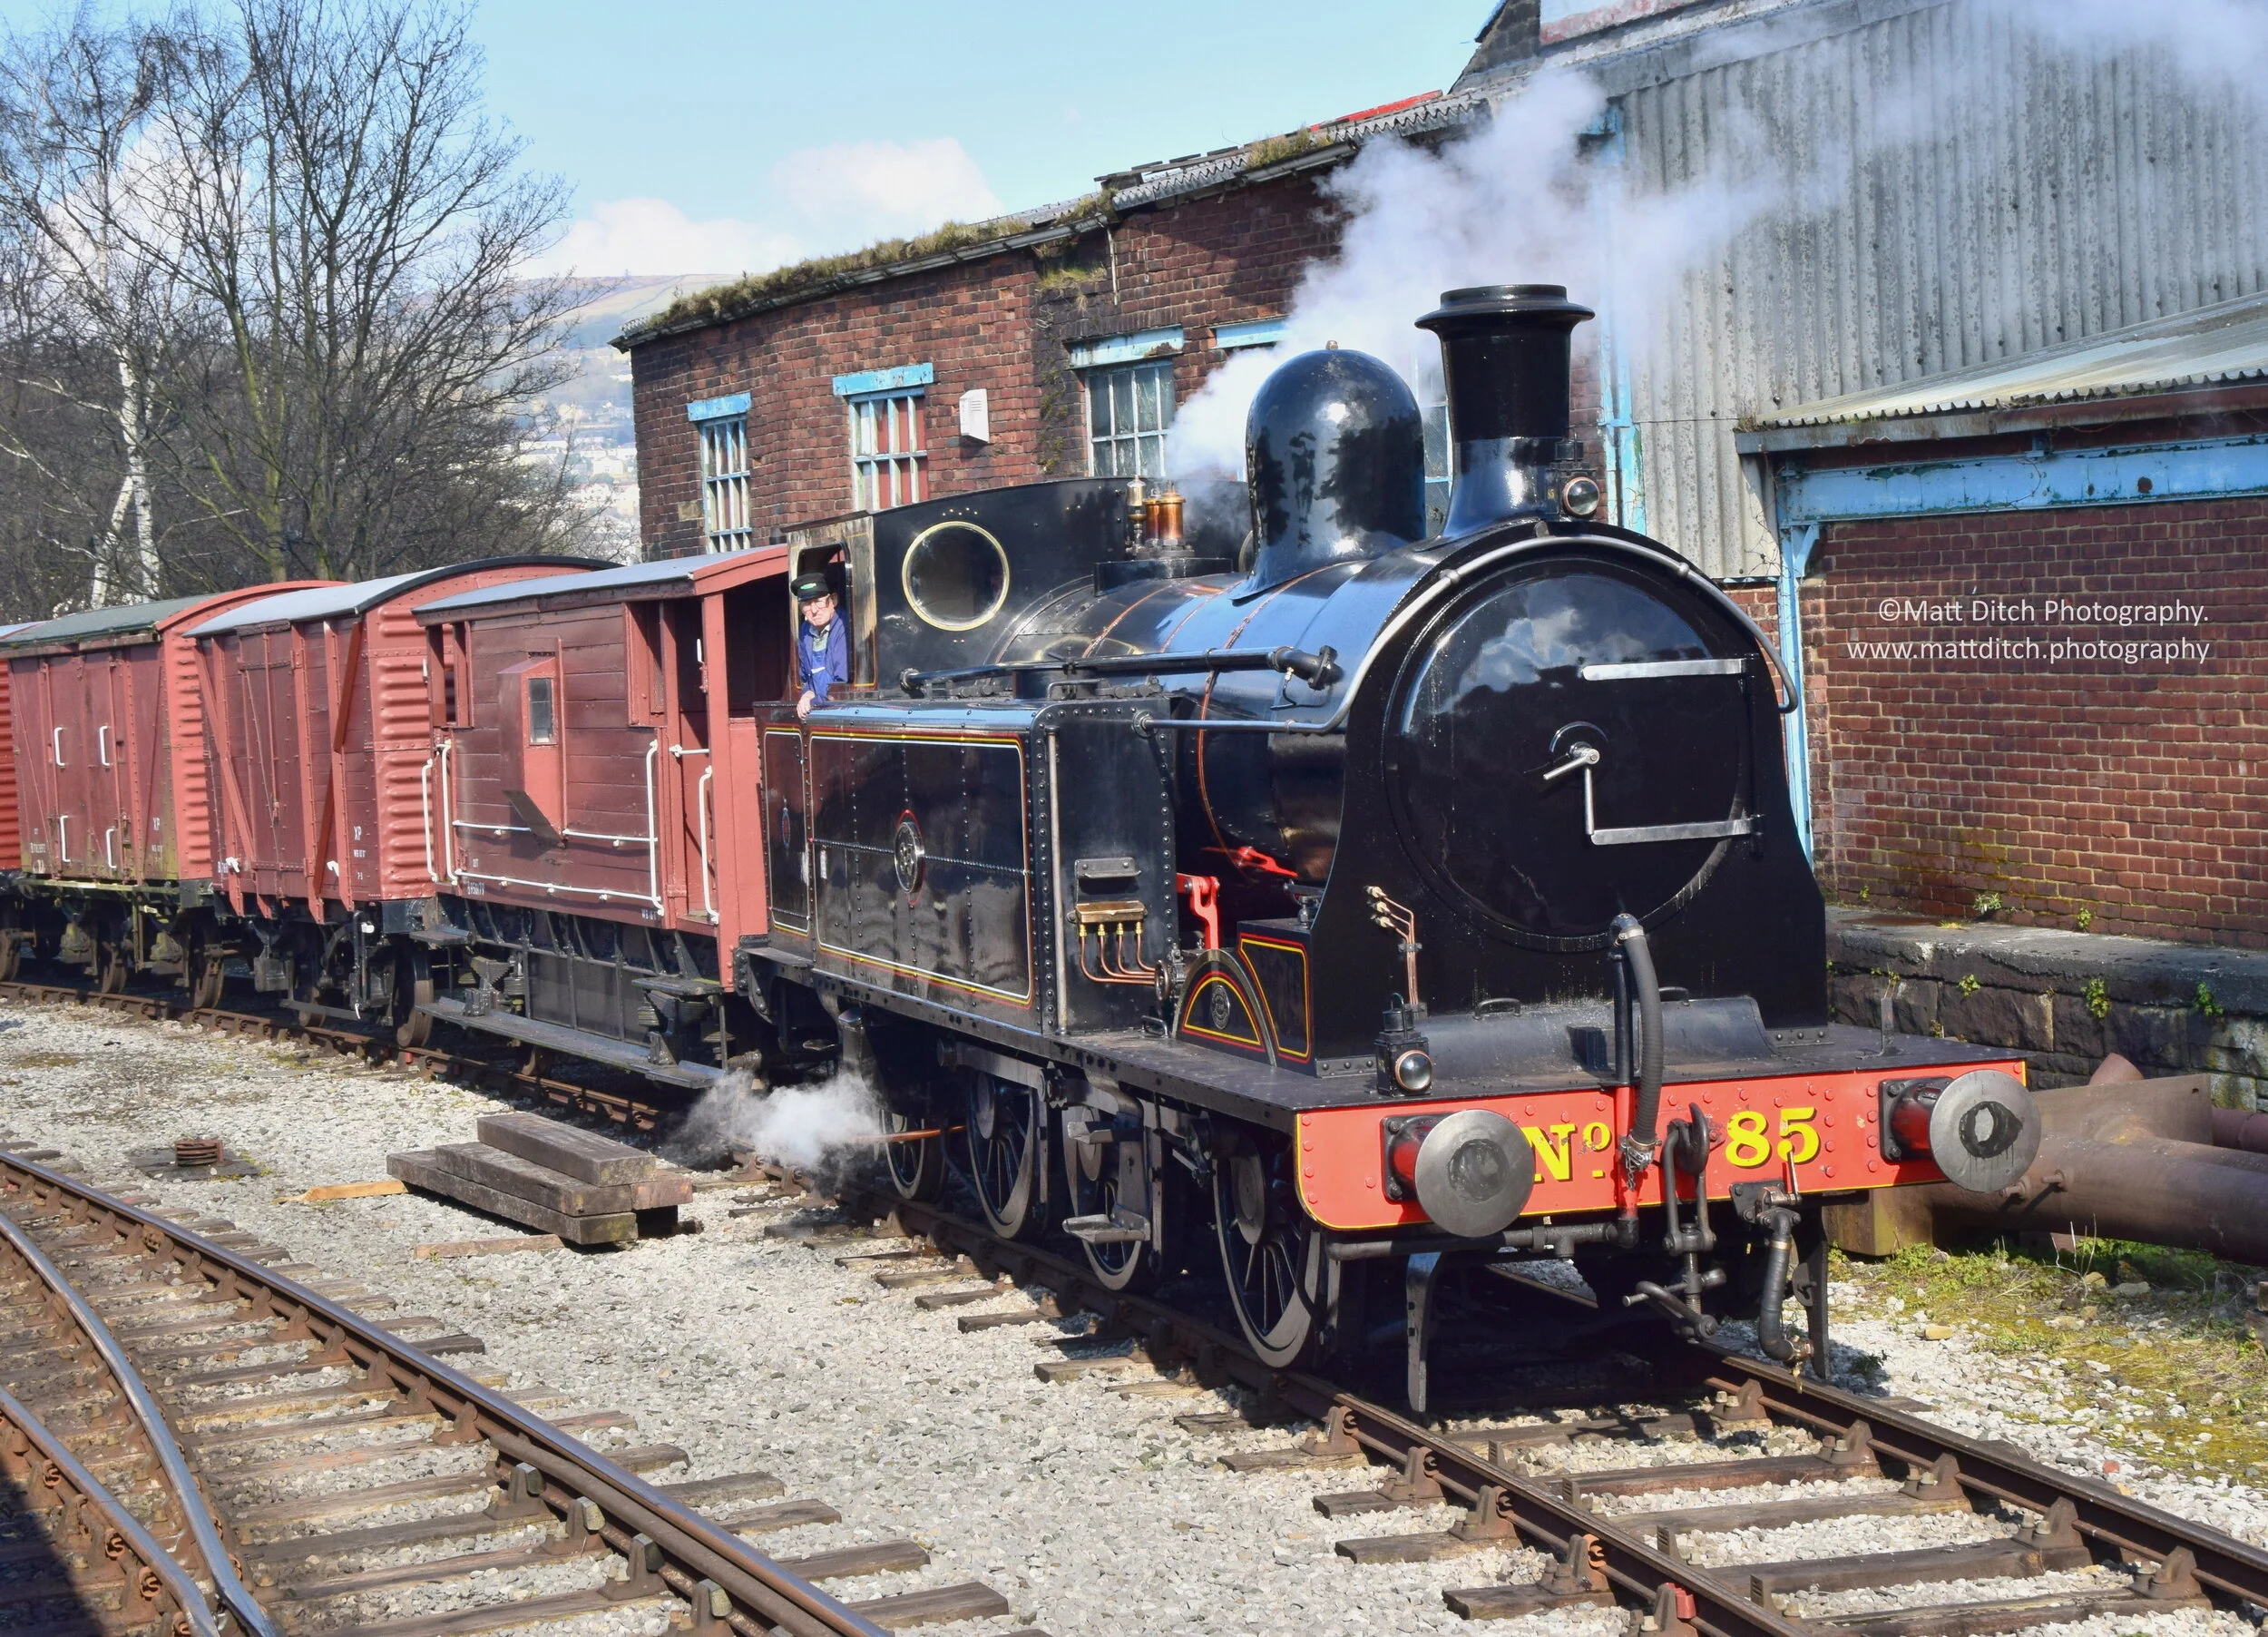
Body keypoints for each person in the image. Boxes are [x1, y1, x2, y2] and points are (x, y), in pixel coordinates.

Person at [793, 572, 848, 720]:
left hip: (840, 711)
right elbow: (806, 675)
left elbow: (840, 685)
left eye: (818, 601)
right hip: (821, 707)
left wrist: (813, 701)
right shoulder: (805, 630)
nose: (814, 610)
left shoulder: (844, 627)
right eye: (807, 604)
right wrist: (808, 692)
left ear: (834, 600)